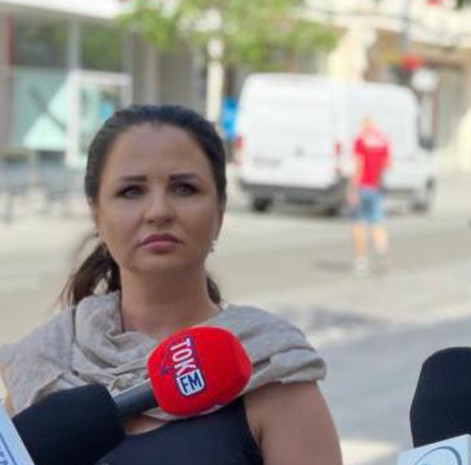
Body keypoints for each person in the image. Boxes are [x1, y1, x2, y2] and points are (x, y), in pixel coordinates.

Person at [0, 105, 342, 465]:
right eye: (131, 191)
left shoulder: (269, 366)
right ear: (96, 214)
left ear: (220, 210)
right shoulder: (45, 363)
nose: (158, 211)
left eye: (184, 188)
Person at [348, 116, 391, 275]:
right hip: (376, 188)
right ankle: (382, 251)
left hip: (362, 187)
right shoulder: (383, 141)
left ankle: (361, 262)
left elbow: (358, 165)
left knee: (358, 225)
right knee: (377, 224)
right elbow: (388, 164)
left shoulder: (360, 141)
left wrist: (352, 189)